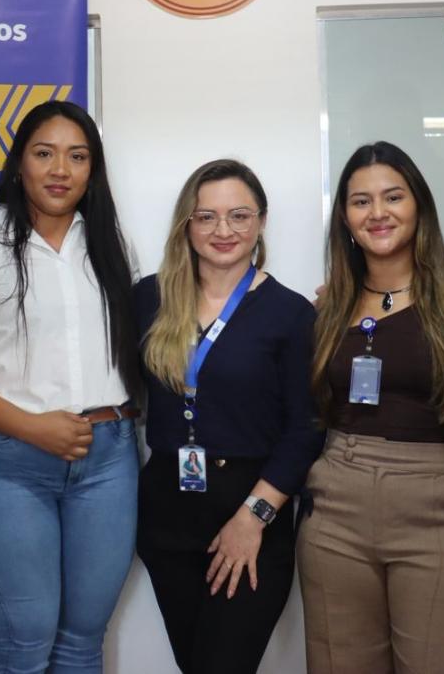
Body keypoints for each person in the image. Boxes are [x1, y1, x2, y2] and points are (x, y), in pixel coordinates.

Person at [0, 99, 140, 674]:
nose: (60, 170)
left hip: (108, 463)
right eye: (44, 153)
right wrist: (34, 428)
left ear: (92, 170)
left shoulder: (109, 246)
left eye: (77, 157)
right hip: (11, 463)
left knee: (81, 642)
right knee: (25, 641)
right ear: (19, 162)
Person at [296, 142, 444, 672]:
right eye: (361, 201)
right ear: (344, 217)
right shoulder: (329, 303)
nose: (377, 213)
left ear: (419, 206)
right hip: (336, 505)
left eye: (393, 197)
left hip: (437, 506)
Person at [133, 158, 321, 674]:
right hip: (168, 516)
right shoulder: (149, 298)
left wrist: (253, 517)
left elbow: (305, 430)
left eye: (239, 215)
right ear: (185, 225)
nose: (223, 231)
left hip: (253, 509)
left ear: (261, 221)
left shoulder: (291, 312)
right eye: (206, 217)